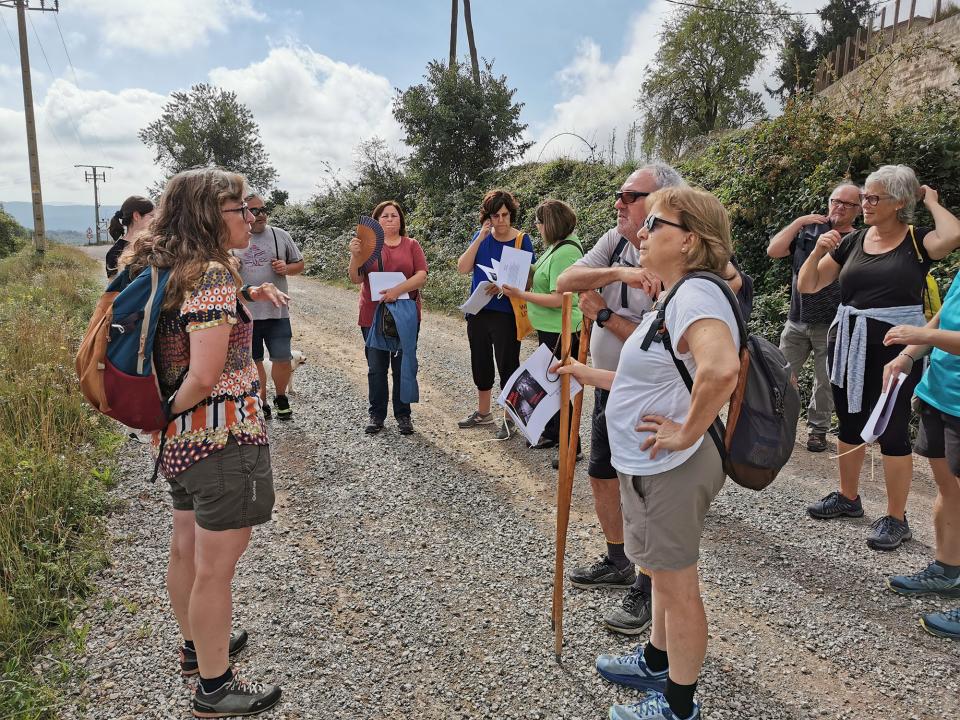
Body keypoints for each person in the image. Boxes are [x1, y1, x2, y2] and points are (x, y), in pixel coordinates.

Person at [556, 185, 742, 720]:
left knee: (678, 585)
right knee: (660, 573)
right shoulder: (676, 294)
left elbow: (721, 369)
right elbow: (649, 379)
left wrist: (685, 431)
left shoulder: (697, 295)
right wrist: (584, 373)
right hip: (651, 463)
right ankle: (658, 662)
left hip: (674, 466)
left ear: (690, 241)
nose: (641, 230)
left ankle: (679, 707)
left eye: (654, 223)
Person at [121, 167, 286, 716]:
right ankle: (215, 688)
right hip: (222, 437)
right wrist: (169, 415)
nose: (250, 218)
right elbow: (205, 375)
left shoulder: (167, 267)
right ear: (211, 214)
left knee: (185, 550)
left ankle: (196, 648)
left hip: (183, 446)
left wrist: (161, 424)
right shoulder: (211, 274)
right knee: (216, 569)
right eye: (240, 209)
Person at [798, 165, 960, 550]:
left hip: (898, 347)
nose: (863, 204)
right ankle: (848, 497)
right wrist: (818, 252)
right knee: (849, 420)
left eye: (873, 198)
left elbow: (953, 235)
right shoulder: (852, 241)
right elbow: (809, 284)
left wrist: (931, 200)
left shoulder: (918, 241)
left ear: (899, 203)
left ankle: (896, 516)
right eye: (863, 197)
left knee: (892, 427)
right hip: (849, 340)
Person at [555, 164, 684, 636]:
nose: (619, 203)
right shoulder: (615, 242)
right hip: (610, 387)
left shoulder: (678, 264)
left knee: (644, 493)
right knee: (602, 472)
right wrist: (620, 273)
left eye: (629, 196)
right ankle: (617, 559)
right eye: (620, 195)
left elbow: (660, 351)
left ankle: (648, 589)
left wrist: (605, 312)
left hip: (648, 397)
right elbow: (565, 281)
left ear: (663, 202)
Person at [882, 286, 960, 639]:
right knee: (947, 487)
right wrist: (910, 355)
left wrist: (922, 335)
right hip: (940, 394)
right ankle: (948, 571)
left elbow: (934, 328)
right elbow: (945, 315)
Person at [767, 182, 861, 452]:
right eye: (835, 201)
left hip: (831, 324)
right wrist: (798, 221)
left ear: (857, 209)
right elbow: (774, 251)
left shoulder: (857, 240)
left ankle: (817, 431)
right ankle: (776, 425)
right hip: (796, 318)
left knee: (825, 382)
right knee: (782, 375)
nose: (839, 207)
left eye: (847, 204)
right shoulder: (809, 229)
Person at [501, 199, 583, 452]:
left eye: (539, 223)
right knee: (550, 383)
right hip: (551, 328)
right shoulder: (557, 246)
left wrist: (520, 294)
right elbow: (544, 273)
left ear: (551, 224)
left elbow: (560, 299)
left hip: (562, 329)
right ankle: (552, 433)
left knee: (561, 386)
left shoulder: (567, 251)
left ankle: (571, 446)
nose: (537, 227)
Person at [456, 189, 536, 439]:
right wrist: (479, 238)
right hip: (478, 310)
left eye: (505, 215)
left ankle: (510, 418)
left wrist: (506, 286)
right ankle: (483, 412)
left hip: (506, 312)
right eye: (496, 216)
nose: (501, 221)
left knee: (508, 365)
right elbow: (462, 268)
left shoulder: (522, 240)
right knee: (480, 362)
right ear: (487, 217)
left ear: (511, 214)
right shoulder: (481, 238)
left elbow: (529, 281)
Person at [348, 200, 428, 435]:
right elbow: (355, 278)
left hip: (404, 315)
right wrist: (354, 256)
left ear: (401, 220)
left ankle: (403, 415)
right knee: (376, 367)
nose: (390, 219)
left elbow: (422, 275)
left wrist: (397, 291)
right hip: (372, 315)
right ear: (376, 221)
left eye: (394, 215)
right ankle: (377, 414)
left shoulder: (412, 245)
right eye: (384, 216)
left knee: (403, 365)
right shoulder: (367, 245)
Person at [235, 194, 304, 420]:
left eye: (264, 209)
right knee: (254, 361)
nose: (261, 215)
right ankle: (261, 400)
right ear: (244, 213)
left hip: (277, 310)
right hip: (247, 313)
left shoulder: (280, 235)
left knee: (282, 359)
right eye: (255, 210)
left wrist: (286, 268)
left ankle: (281, 397)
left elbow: (299, 264)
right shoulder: (234, 238)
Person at [105, 196, 155, 279]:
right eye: (152, 216)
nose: (155, 220)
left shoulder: (153, 245)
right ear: (136, 216)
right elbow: (114, 290)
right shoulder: (115, 253)